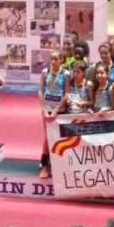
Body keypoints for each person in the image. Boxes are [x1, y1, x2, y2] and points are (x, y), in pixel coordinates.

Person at [38, 49, 70, 178]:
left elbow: (67, 93)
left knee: (59, 137)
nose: (53, 61)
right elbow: (40, 91)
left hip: (60, 110)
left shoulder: (66, 73)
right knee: (47, 136)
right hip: (47, 109)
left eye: (56, 59)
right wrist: (44, 109)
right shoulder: (45, 72)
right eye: (51, 59)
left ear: (61, 60)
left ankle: (57, 164)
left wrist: (57, 110)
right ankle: (44, 166)